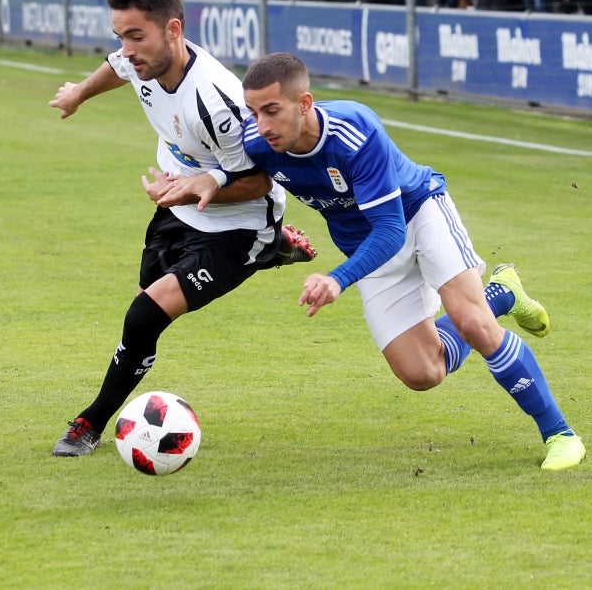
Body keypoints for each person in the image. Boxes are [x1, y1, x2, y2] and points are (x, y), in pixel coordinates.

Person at [231, 52, 585, 472]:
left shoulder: (354, 131)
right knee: (422, 373)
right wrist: (207, 181)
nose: (261, 124)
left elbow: (390, 230)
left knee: (472, 323)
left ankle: (560, 434)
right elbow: (241, 183)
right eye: (253, 112)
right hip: (368, 251)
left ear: (304, 104)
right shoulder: (256, 141)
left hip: (418, 214)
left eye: (272, 110)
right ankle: (502, 293)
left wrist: (337, 280)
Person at [48, 0, 315, 457]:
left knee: (143, 315)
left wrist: (193, 191)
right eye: (121, 36)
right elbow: (116, 68)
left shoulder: (216, 102)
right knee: (143, 302)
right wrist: (79, 95)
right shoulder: (142, 62)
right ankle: (277, 251)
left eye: (136, 37)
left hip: (238, 224)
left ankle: (90, 422)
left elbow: (260, 180)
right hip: (177, 204)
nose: (127, 50)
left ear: (173, 30)